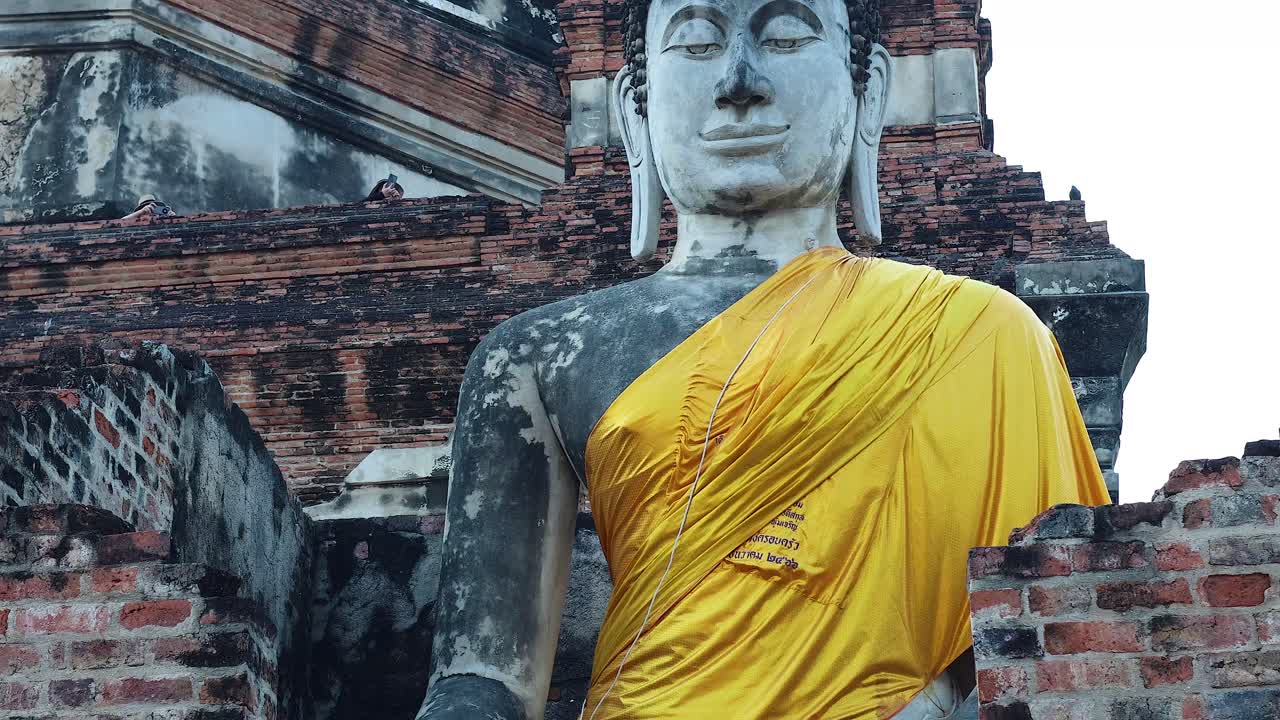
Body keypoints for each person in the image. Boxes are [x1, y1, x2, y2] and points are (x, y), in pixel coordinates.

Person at [418, 1, 1109, 719]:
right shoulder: (537, 357)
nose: (738, 81)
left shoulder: (981, 334)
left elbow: (1049, 639)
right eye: (694, 44)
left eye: (784, 37)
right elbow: (482, 682)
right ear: (635, 106)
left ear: (867, 91)